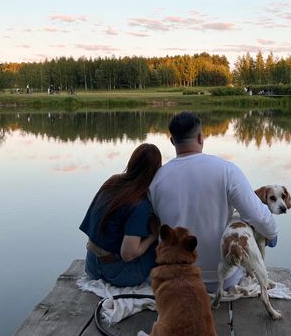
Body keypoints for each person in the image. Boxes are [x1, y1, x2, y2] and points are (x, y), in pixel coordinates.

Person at [148, 112, 279, 292]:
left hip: (175, 280)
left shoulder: (157, 179)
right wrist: (272, 235)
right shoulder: (226, 170)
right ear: (201, 138)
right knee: (262, 230)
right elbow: (258, 216)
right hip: (222, 280)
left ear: (172, 141)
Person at [80, 143, 162, 286]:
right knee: (160, 242)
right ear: (156, 171)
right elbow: (127, 255)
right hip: (116, 274)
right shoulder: (140, 203)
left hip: (92, 265)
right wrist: (154, 236)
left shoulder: (112, 182)